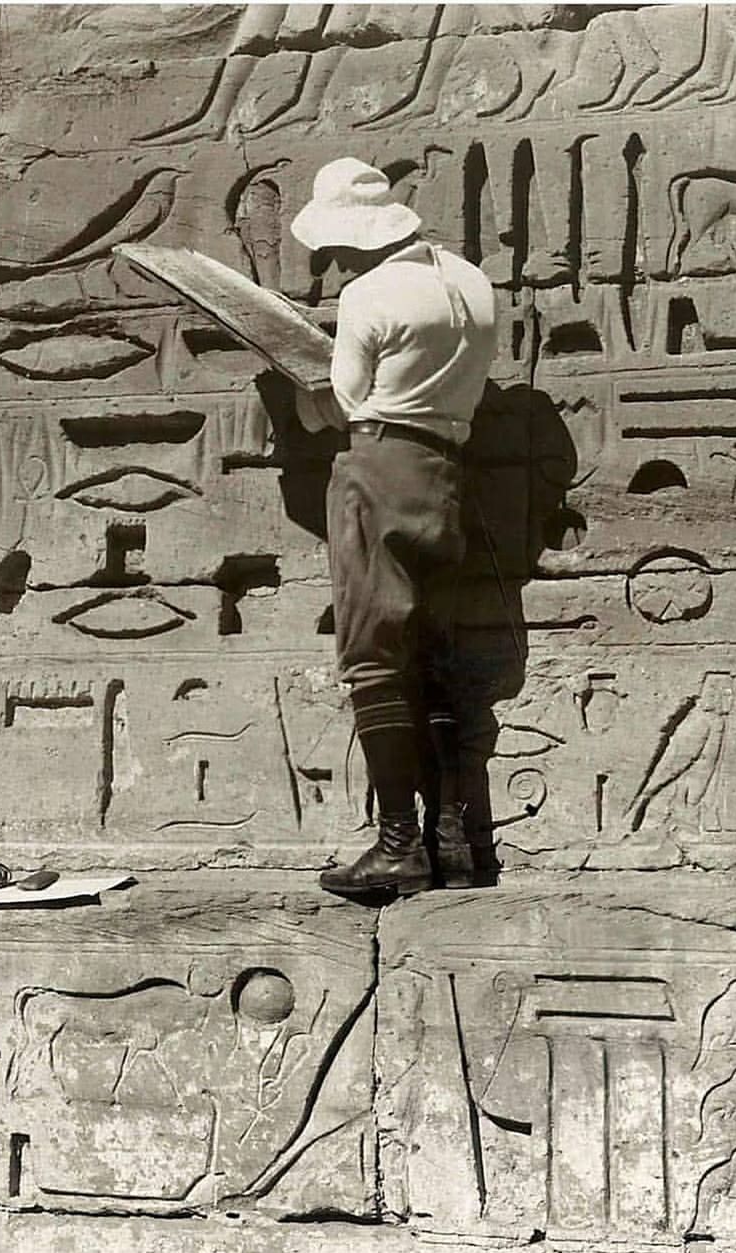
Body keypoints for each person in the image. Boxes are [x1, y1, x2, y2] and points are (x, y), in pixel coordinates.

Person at [290, 158, 498, 902]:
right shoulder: (471, 282)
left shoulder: (369, 294)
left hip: (381, 465)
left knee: (373, 654)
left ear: (355, 239)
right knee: (430, 655)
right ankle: (453, 843)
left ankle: (398, 846)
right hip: (446, 472)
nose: (333, 265)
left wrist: (299, 384)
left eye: (334, 249)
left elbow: (346, 399)